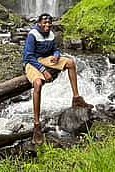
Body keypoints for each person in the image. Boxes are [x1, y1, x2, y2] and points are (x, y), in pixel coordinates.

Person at [23, 13, 94, 145]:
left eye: (49, 23)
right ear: (38, 23)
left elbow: (55, 49)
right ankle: (36, 124)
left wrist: (56, 56)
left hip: (46, 59)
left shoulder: (51, 34)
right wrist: (43, 70)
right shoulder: (32, 35)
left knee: (71, 63)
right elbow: (28, 56)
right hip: (32, 62)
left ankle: (76, 98)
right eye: (44, 23)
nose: (47, 25)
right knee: (38, 83)